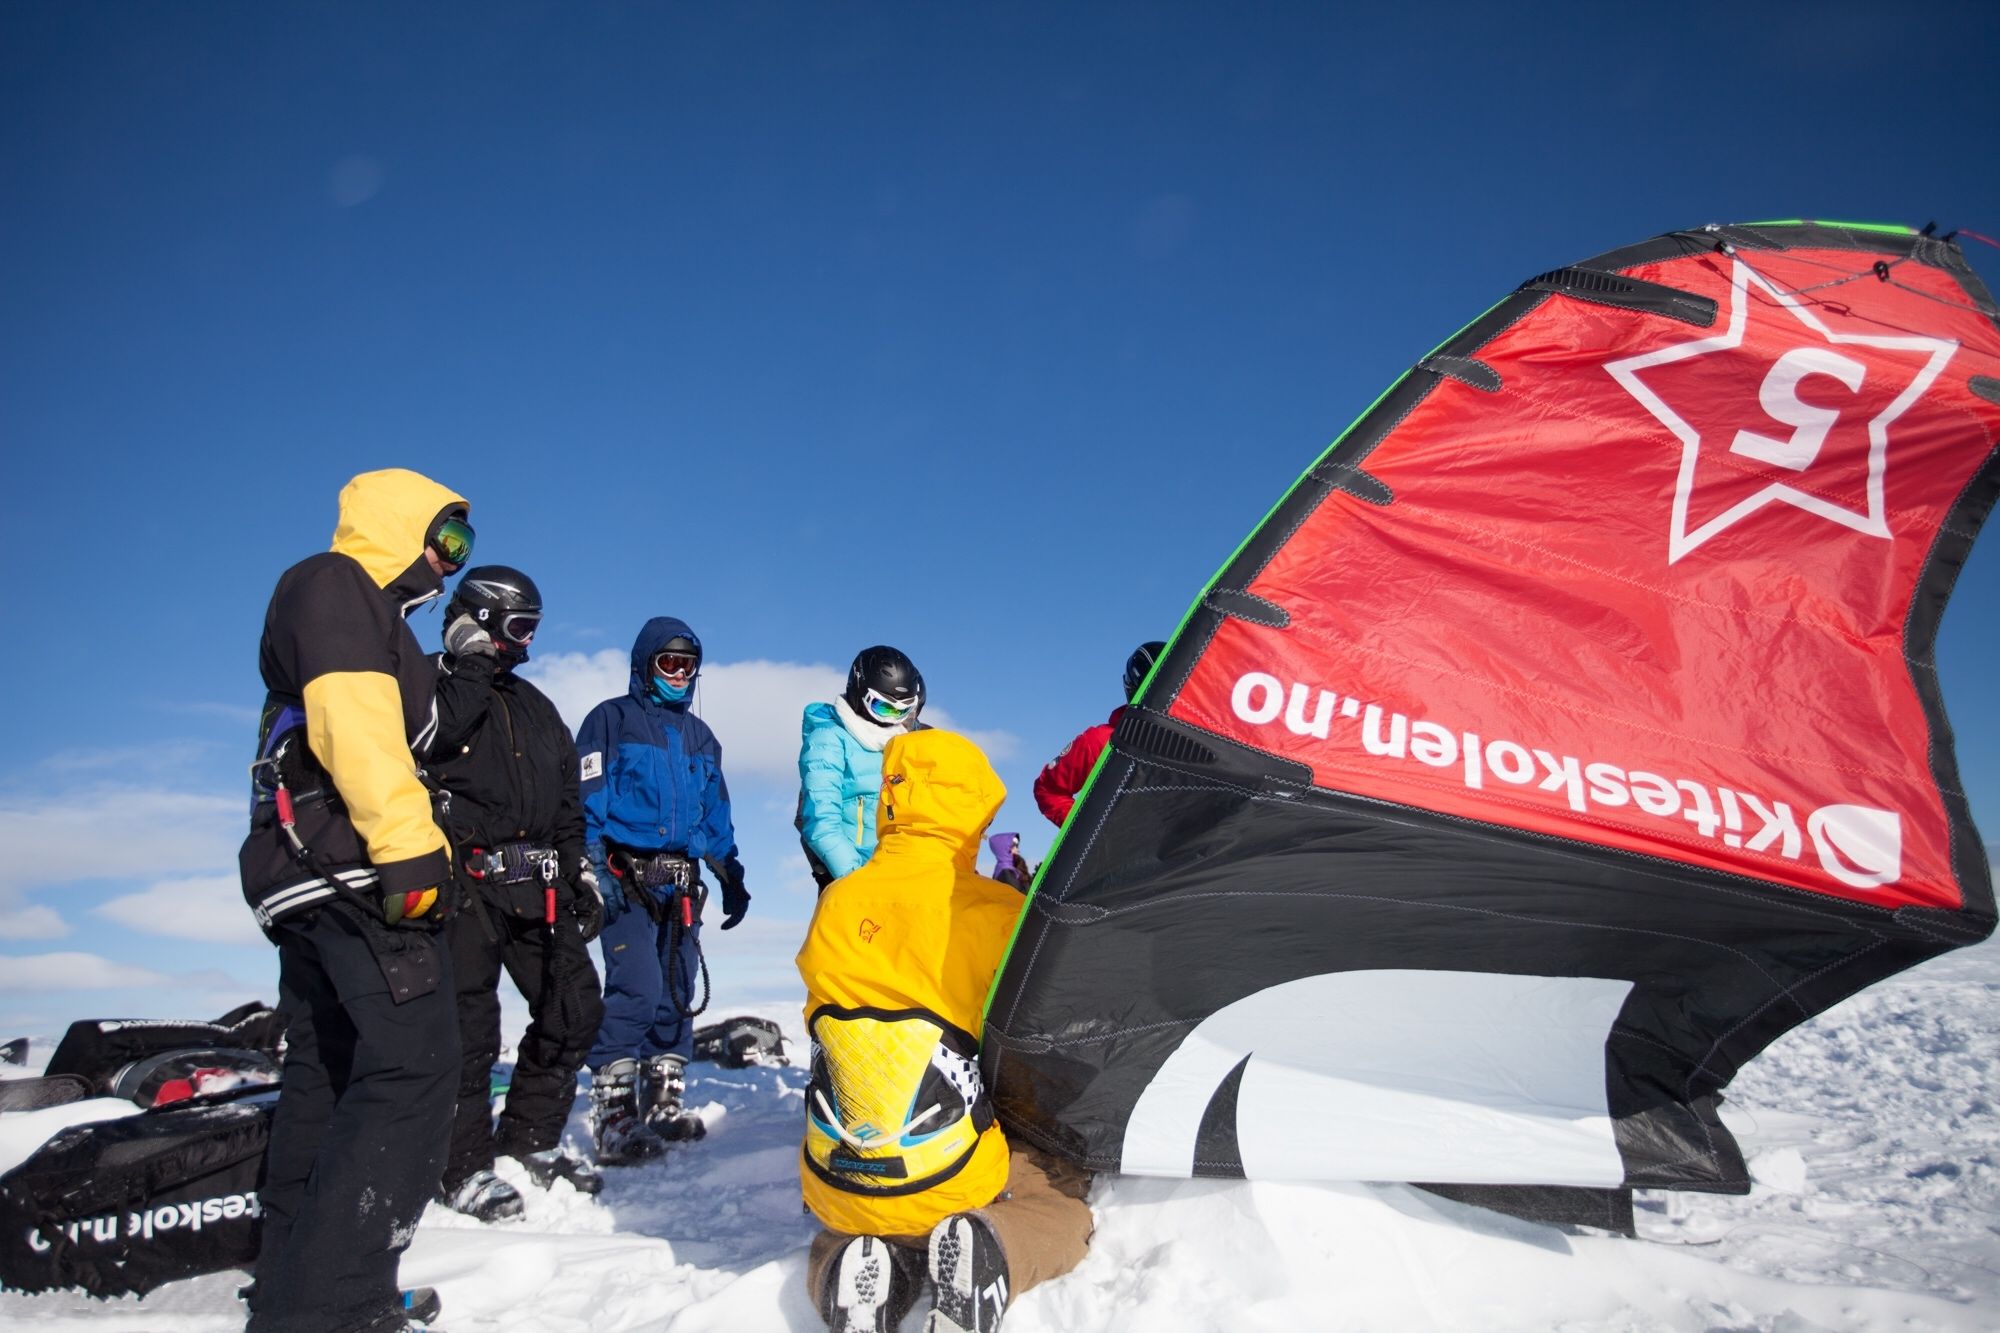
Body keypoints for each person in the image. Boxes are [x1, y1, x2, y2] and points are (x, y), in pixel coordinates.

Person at [237, 468, 472, 1333]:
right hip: (350, 861)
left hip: (309, 869)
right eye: (444, 536)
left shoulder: (374, 616)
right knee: (415, 1069)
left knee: (328, 1077)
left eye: (463, 545)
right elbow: (352, 719)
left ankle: (296, 1291)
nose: (450, 559)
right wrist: (409, 846)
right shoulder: (337, 585)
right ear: (397, 524)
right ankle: (339, 1304)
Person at [796, 729, 1094, 1333]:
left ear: (890, 800)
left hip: (840, 1168)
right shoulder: (995, 912)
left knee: (848, 1223)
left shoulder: (838, 902)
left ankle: (855, 1262)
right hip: (950, 1169)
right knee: (1062, 1200)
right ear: (975, 811)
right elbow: (1031, 1035)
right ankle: (995, 1249)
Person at [427, 565, 608, 1220]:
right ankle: (461, 1165)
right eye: (518, 627)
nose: (528, 643)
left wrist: (578, 871)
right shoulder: (428, 684)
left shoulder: (536, 705)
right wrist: (469, 662)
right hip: (459, 889)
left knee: (575, 1006)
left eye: (534, 627)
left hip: (539, 886)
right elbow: (436, 736)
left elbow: (566, 799)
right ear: (480, 618)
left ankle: (529, 1138)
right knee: (468, 1031)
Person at [577, 617, 750, 1163]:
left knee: (677, 991)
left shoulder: (702, 739)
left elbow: (714, 813)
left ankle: (662, 1101)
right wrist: (591, 869)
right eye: (667, 663)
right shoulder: (611, 720)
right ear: (645, 665)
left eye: (687, 666)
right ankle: (613, 1112)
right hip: (624, 879)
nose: (678, 674)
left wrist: (730, 873)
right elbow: (587, 798)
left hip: (679, 884)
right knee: (636, 987)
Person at [796, 645, 926, 892]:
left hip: (896, 878)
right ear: (859, 692)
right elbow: (822, 823)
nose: (891, 720)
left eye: (903, 711)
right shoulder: (829, 739)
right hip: (851, 880)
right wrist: (857, 881)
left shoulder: (900, 744)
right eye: (883, 708)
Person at [1032, 640, 1166, 827]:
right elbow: (1048, 789)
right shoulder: (1103, 742)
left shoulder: (1206, 736)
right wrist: (1090, 831)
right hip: (1128, 851)